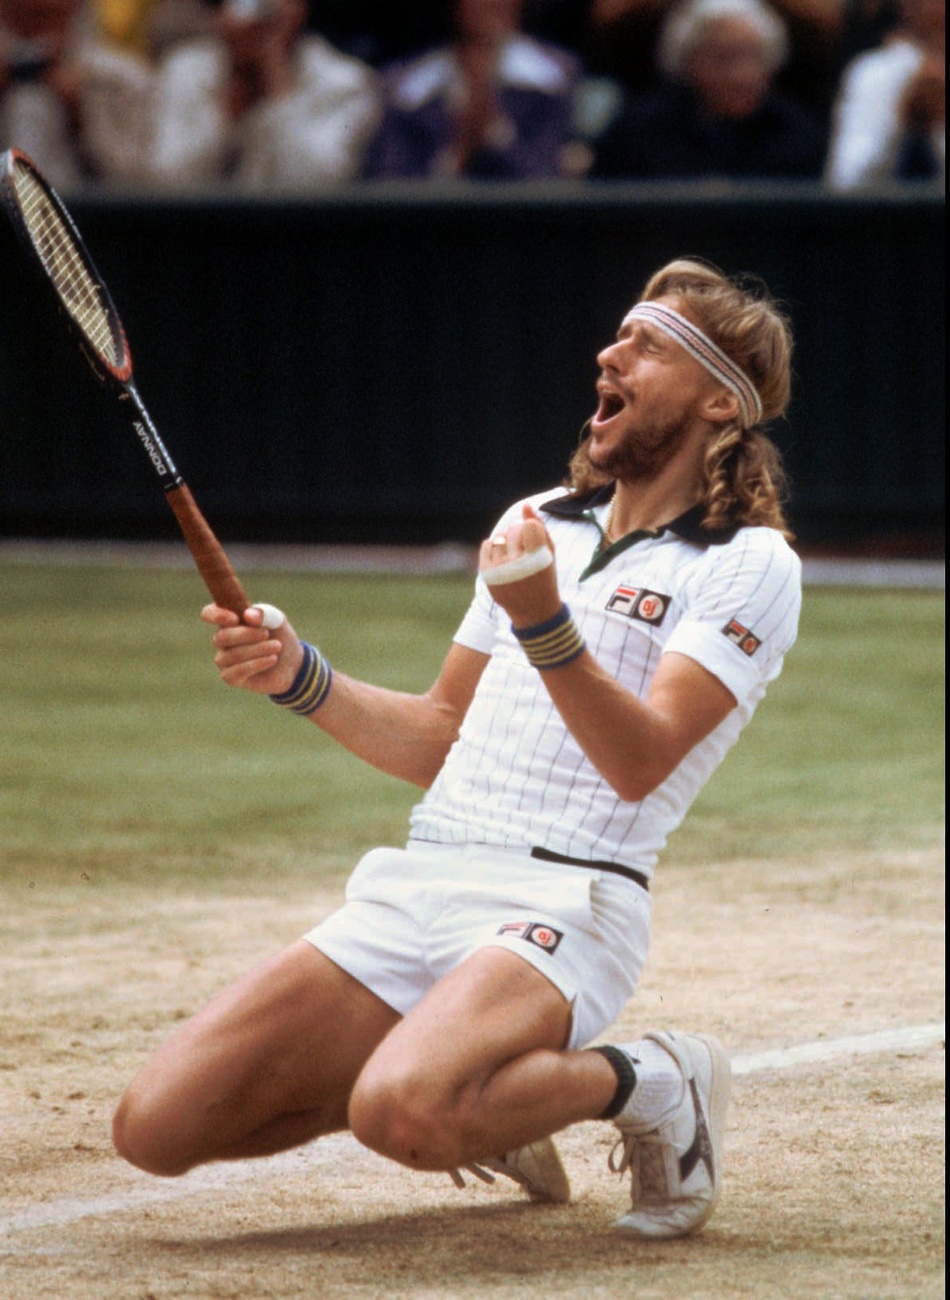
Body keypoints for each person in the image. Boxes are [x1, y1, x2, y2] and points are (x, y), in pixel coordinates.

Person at [111, 257, 802, 1239]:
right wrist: (297, 674)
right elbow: (442, 733)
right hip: (423, 878)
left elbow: (640, 759)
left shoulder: (749, 563)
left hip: (569, 899)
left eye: (645, 344)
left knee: (398, 1111)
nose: (608, 353)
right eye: (618, 333)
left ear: (718, 400)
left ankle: (649, 1079)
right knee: (156, 1127)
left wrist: (544, 624)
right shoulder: (534, 526)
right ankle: (480, 1078)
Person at [143, 0, 380, 190]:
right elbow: (168, 183)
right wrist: (232, 98)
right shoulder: (185, 70)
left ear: (299, 9)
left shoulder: (344, 83)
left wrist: (276, 87)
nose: (259, 12)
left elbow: (313, 187)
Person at [591, 0, 827, 178]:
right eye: (724, 58)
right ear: (689, 61)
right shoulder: (640, 132)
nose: (741, 76)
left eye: (755, 57)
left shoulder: (798, 134)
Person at [363, 0, 586, 179]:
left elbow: (546, 179)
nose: (494, 4)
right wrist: (460, 154)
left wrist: (496, 137)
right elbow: (393, 185)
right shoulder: (403, 87)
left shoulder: (557, 77)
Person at [0, 0, 154, 187]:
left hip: (92, 207)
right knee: (29, 105)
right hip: (18, 204)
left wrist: (82, 112)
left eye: (48, 14)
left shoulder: (121, 78)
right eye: (27, 14)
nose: (39, 6)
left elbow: (141, 183)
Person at [824, 0, 944, 189]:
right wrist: (901, 124)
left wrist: (937, 134)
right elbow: (845, 184)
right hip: (884, 216)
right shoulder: (874, 73)